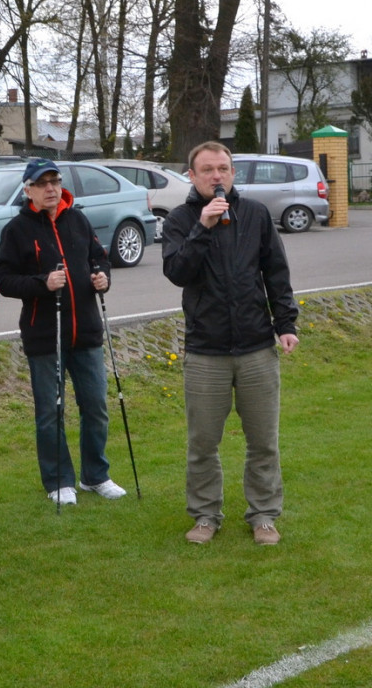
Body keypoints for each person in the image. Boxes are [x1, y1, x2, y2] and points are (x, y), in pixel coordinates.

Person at [162, 141, 299, 546]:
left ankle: (263, 516)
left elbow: (276, 273)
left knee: (263, 442)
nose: (216, 176)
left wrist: (285, 323)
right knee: (203, 443)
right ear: (193, 175)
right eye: (207, 170)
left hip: (257, 347)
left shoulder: (255, 214)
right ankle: (205, 515)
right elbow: (177, 272)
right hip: (206, 351)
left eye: (223, 168)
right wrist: (202, 227)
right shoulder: (180, 220)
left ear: (233, 173)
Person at [0, 159, 126, 506]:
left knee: (96, 406)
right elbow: (4, 280)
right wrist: (42, 283)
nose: (51, 188)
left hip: (86, 332)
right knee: (50, 412)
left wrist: (102, 276)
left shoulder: (77, 219)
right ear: (28, 190)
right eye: (42, 183)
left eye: (54, 181)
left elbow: (99, 257)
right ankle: (58, 480)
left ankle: (95, 476)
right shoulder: (17, 229)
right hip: (44, 335)